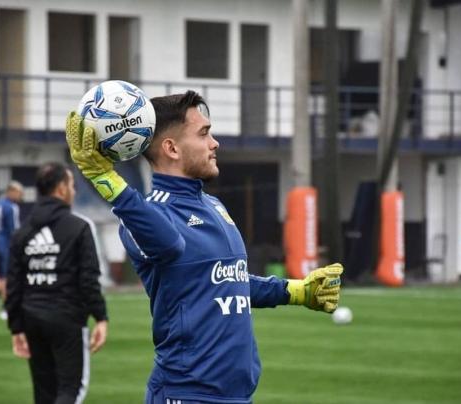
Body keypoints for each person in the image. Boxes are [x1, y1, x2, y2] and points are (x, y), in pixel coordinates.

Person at [65, 91, 343, 404]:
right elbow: (169, 246)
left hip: (237, 395)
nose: (215, 143)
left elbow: (226, 279)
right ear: (171, 148)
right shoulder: (144, 215)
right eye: (204, 133)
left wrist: (295, 291)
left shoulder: (213, 205)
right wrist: (106, 179)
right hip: (186, 394)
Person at [5, 162, 109, 404]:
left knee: (44, 394)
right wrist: (100, 317)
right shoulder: (80, 227)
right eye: (72, 185)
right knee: (71, 391)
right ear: (61, 188)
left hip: (32, 319)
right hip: (67, 318)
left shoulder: (22, 233)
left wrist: (16, 328)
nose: (74, 190)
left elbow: (14, 284)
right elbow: (89, 279)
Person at [0, 180, 23, 320]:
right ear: (11, 191)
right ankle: (6, 308)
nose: (20, 196)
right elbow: (15, 231)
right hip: (6, 246)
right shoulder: (11, 207)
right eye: (19, 193)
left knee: (1, 275)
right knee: (7, 278)